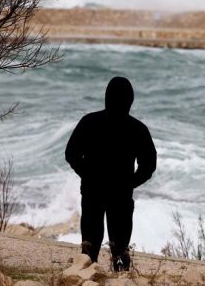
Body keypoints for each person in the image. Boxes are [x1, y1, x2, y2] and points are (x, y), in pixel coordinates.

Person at [65, 76, 157, 271]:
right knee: (120, 252)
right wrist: (130, 183)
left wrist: (87, 174)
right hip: (121, 195)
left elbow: (71, 153)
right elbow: (149, 165)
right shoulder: (137, 129)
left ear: (106, 97)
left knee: (88, 251)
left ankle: (86, 280)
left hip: (92, 192)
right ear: (130, 101)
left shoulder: (89, 122)